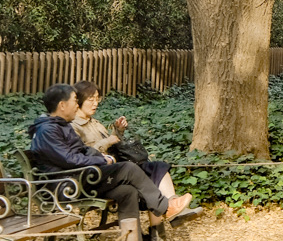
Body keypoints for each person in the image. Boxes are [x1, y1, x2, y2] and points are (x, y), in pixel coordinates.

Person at [28, 84, 192, 241]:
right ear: (62, 105)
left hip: (78, 178)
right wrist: (100, 159)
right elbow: (69, 159)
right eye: (74, 100)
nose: (76, 105)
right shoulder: (48, 130)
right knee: (128, 168)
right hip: (65, 185)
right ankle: (166, 207)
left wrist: (103, 158)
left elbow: (82, 151)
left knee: (127, 192)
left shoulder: (60, 126)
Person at [72, 81, 177, 199]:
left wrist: (118, 130)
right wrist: (108, 141)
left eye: (97, 99)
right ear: (78, 100)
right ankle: (171, 207)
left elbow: (111, 145)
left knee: (157, 167)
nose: (95, 103)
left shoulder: (95, 123)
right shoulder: (73, 126)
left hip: (116, 165)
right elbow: (82, 155)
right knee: (144, 179)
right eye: (91, 100)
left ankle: (173, 201)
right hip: (100, 174)